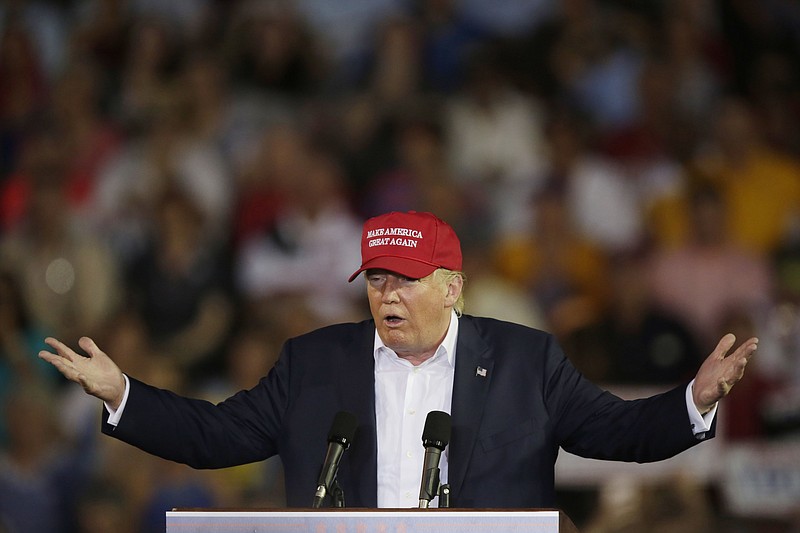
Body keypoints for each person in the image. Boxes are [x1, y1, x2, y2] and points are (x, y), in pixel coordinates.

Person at [39, 210, 757, 510]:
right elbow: (216, 436)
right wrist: (123, 392)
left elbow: (618, 434)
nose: (387, 294)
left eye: (404, 280)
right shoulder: (313, 362)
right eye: (376, 279)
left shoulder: (522, 360)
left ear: (453, 287)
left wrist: (692, 400)